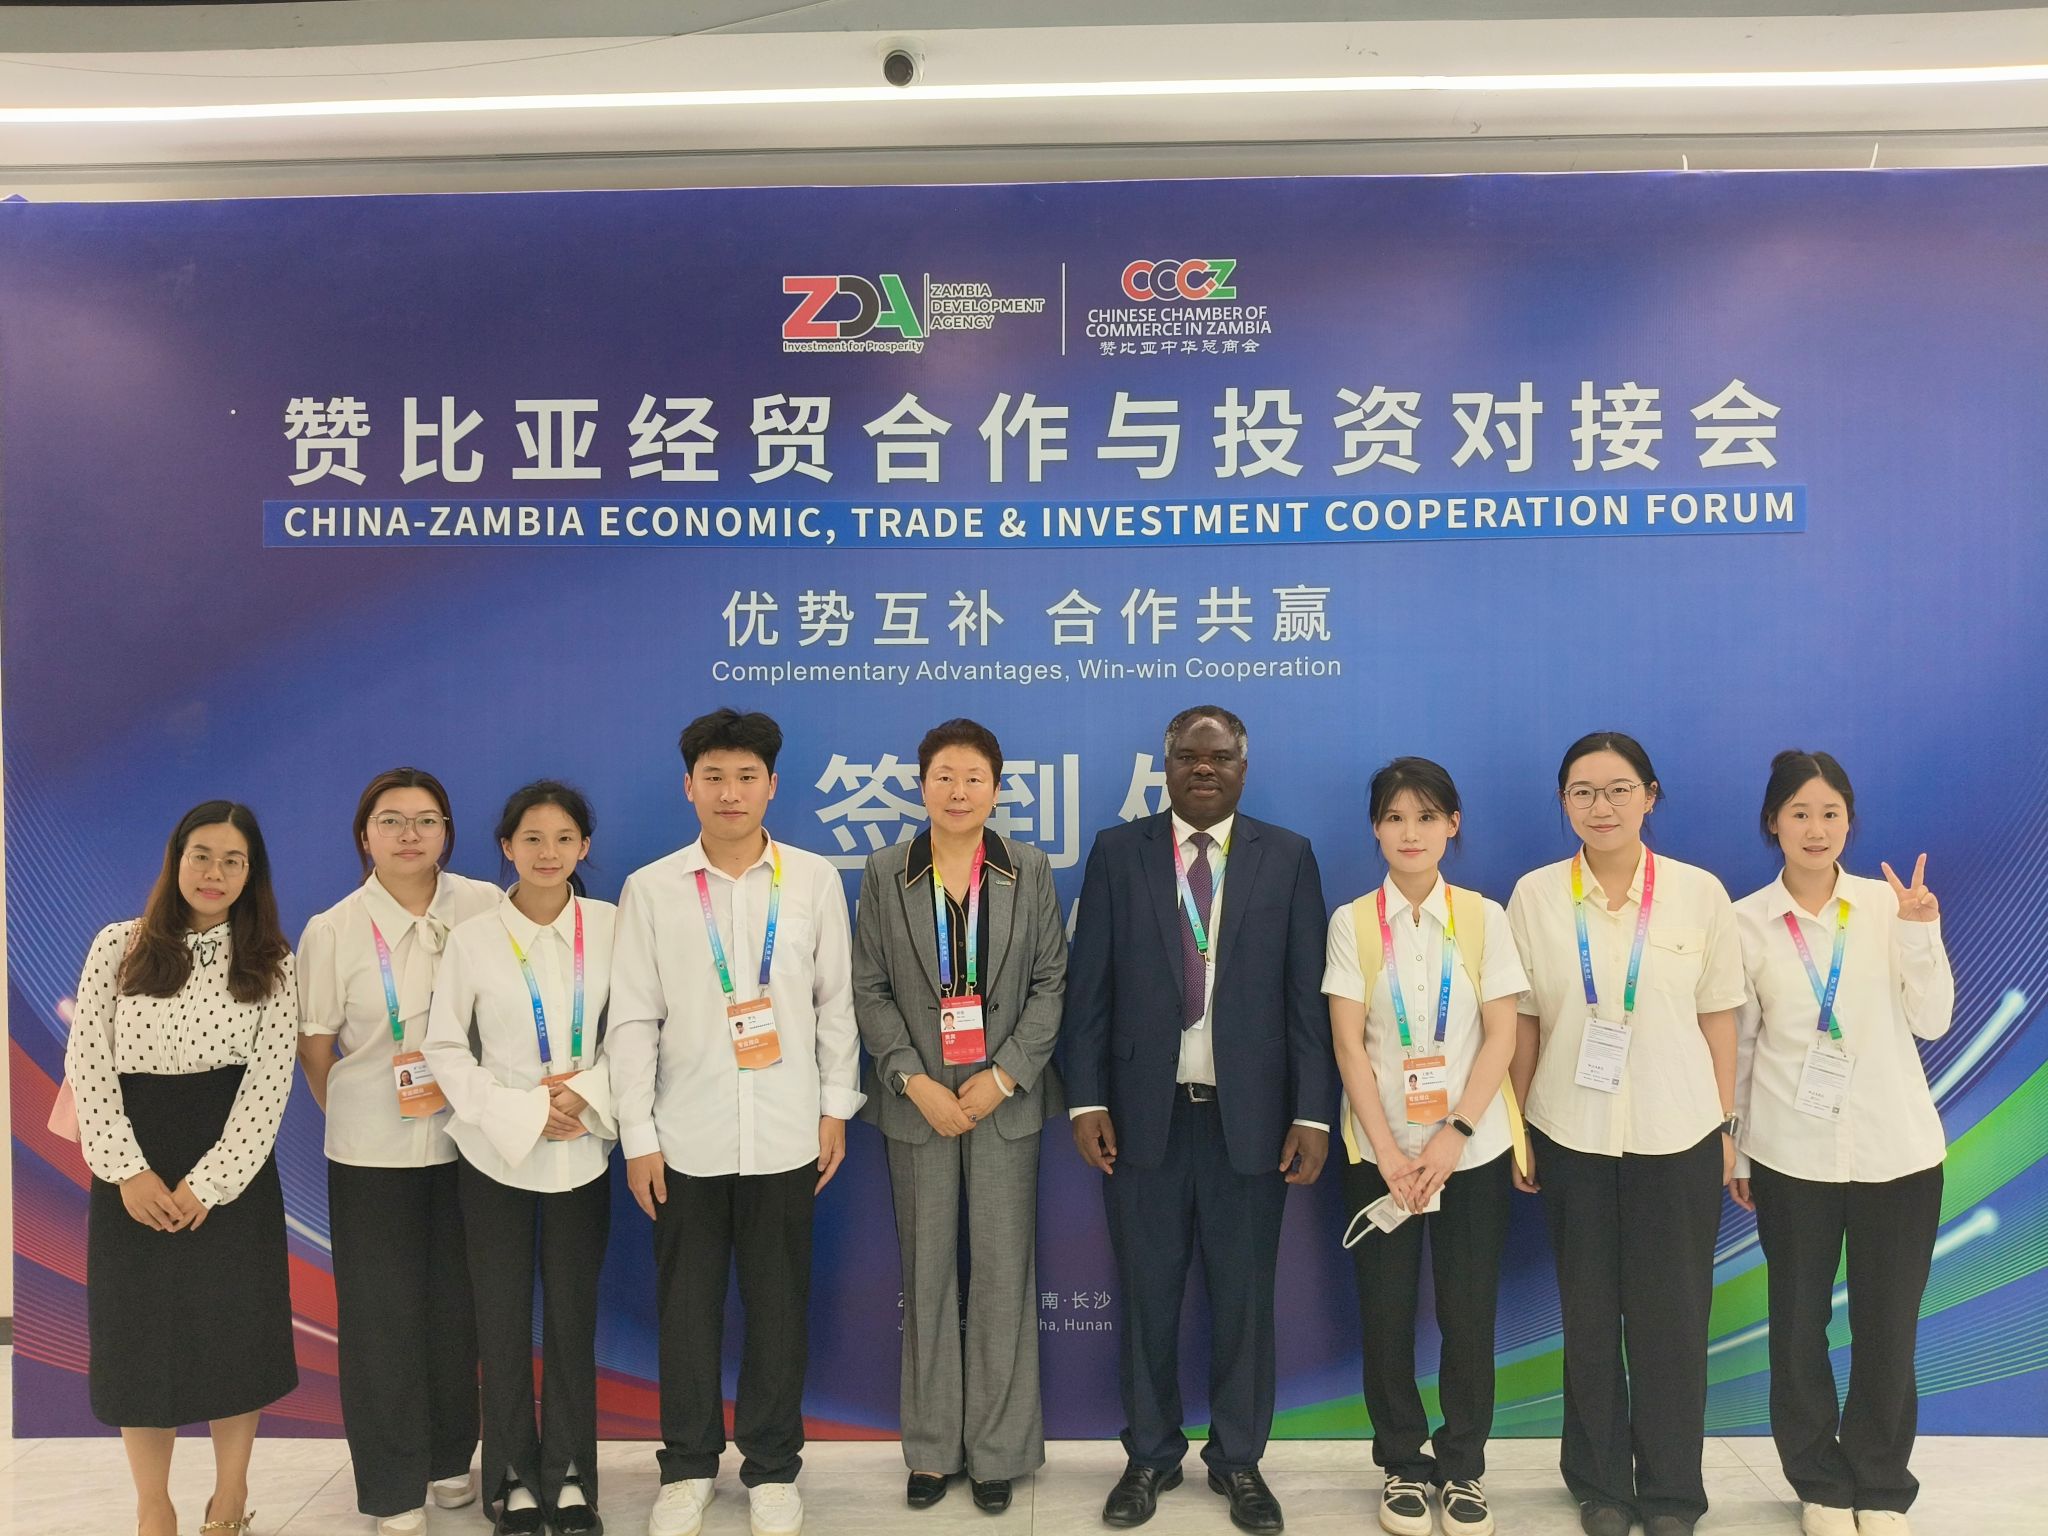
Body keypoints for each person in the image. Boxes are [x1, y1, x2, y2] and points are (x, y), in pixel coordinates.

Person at [1063, 704, 1333, 1536]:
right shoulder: (1119, 853)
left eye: (1219, 757)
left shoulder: (1287, 856)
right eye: (1188, 756)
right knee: (1147, 1295)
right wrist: (1086, 1098)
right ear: (1167, 766)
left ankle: (1238, 1459)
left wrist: (1313, 1113)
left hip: (1251, 1123)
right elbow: (1089, 988)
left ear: (1244, 769)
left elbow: (1306, 998)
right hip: (1141, 1120)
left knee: (1245, 1300)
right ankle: (1149, 1456)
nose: (1203, 768)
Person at [609, 709, 864, 1536]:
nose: (730, 792)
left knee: (778, 1307)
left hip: (788, 1132)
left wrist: (835, 1108)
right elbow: (634, 1020)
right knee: (686, 1310)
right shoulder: (652, 889)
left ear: (772, 786)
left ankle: (772, 1468)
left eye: (746, 777)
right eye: (713, 777)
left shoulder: (812, 880)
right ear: (688, 786)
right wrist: (639, 1136)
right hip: (684, 1137)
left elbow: (835, 1004)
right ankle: (687, 1467)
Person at [1506, 732, 1745, 1536]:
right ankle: (1601, 1486)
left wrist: (1723, 1126)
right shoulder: (1536, 896)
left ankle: (1672, 1492)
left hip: (1677, 1134)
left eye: (1617, 789)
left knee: (1672, 1323)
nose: (1600, 806)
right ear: (1564, 802)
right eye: (1582, 791)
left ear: (1650, 796)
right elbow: (1526, 1020)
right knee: (1588, 1317)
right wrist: (1520, 1126)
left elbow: (1719, 1019)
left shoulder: (1698, 893)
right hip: (1569, 1132)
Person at [1729, 751, 1952, 1536]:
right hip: (1792, 1156)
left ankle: (1881, 1483)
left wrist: (1921, 932)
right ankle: (1818, 1482)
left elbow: (1933, 1020)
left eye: (1830, 813)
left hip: (1898, 1153)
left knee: (1888, 1329)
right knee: (1798, 1328)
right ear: (1773, 823)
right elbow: (1742, 1048)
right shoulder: (1746, 923)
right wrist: (1738, 1149)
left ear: (1850, 822)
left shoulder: (1891, 906)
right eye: (1799, 813)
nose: (1815, 828)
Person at [852, 718, 1068, 1516]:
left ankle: (999, 1451)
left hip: (1003, 1100)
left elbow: (1051, 983)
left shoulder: (1028, 869)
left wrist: (1004, 1075)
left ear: (997, 789)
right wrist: (913, 1081)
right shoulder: (886, 871)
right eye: (943, 776)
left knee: (1004, 1276)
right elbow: (869, 987)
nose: (958, 791)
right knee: (928, 1276)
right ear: (921, 785)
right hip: (920, 1105)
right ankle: (933, 1449)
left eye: (974, 777)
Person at [66, 800, 299, 1536]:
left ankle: (229, 1499)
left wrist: (211, 1183)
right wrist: (126, 1170)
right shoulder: (120, 945)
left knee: (235, 1335)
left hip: (230, 1168)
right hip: (132, 1163)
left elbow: (269, 1084)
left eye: (234, 860)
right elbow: (88, 1062)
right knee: (139, 1342)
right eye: (201, 855)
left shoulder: (271, 962)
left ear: (251, 873)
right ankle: (153, 1505)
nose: (214, 872)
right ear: (176, 859)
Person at [1325, 758, 1526, 1536]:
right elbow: (1349, 1045)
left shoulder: (1484, 917)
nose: (1411, 833)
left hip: (1470, 1154)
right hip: (1380, 1155)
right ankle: (1404, 1466)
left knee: (1468, 1316)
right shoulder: (1352, 922)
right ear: (1376, 828)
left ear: (1453, 825)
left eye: (1427, 816)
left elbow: (1502, 1034)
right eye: (1395, 817)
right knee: (1386, 1316)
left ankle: (1464, 1466)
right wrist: (1388, 1151)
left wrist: (1454, 1136)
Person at [297, 768, 502, 1535]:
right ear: (365, 835)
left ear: (448, 831)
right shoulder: (333, 929)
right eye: (391, 820)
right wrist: (357, 1113)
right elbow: (316, 1043)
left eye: (426, 820)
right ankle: (390, 1485)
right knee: (380, 1320)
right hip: (370, 1154)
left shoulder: (484, 905)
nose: (409, 834)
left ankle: (450, 1458)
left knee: (457, 1310)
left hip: (469, 1144)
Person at [424, 782, 617, 1536]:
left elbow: (638, 1029)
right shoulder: (474, 938)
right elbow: (445, 1047)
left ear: (584, 848)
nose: (547, 852)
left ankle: (569, 1475)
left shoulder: (611, 926)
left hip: (583, 1149)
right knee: (500, 1318)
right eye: (531, 838)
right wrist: (526, 1111)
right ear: (506, 847)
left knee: (572, 1318)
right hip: (495, 1154)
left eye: (564, 838)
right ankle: (511, 1476)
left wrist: (585, 1098)